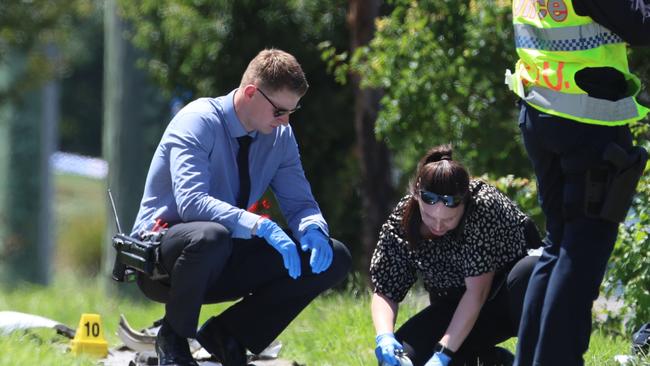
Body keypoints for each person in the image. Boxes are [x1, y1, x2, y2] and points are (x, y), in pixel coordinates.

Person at [130, 48, 352, 366]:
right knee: (210, 236)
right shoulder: (198, 121)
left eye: (292, 111)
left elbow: (300, 203)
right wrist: (260, 224)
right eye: (279, 111)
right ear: (251, 93)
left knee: (337, 257)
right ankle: (173, 338)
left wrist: (313, 228)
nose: (286, 121)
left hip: (223, 254)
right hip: (162, 264)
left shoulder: (281, 136)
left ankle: (229, 335)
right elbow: (192, 203)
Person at [505, 1, 650, 365]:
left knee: (558, 246)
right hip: (585, 118)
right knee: (581, 250)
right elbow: (640, 24)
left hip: (542, 109)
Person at [370, 144, 540, 366]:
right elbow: (385, 288)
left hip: (506, 299)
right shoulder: (403, 218)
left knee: (530, 273)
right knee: (403, 360)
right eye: (429, 217)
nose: (438, 226)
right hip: (453, 305)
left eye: (449, 219)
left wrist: (443, 354)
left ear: (464, 202)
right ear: (417, 195)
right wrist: (385, 336)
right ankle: (492, 361)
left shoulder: (482, 206)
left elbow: (477, 294)